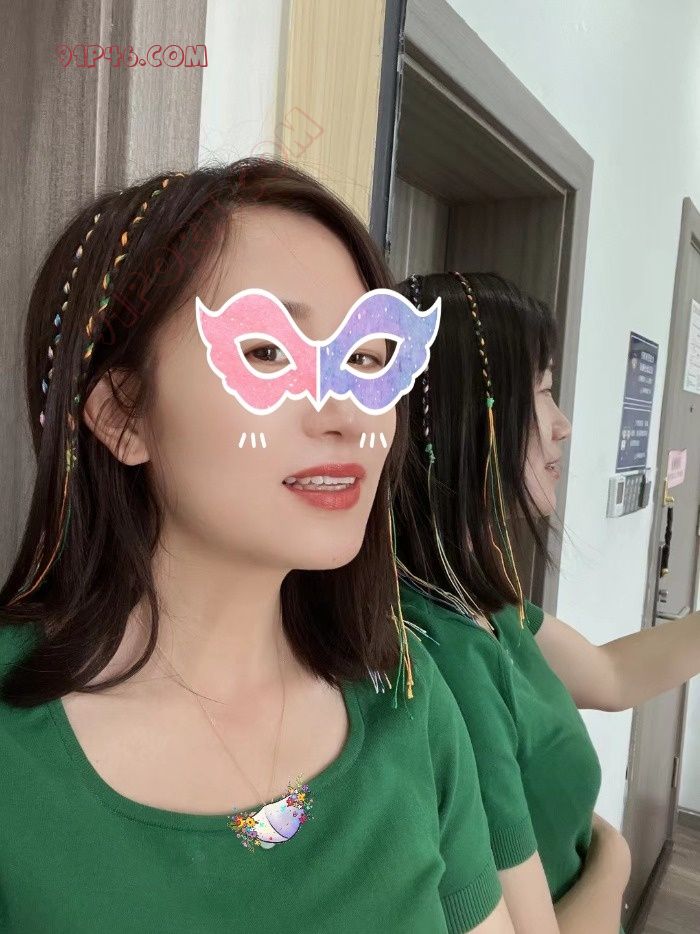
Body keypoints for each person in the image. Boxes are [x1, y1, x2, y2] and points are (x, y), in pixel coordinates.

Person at [0, 164, 516, 934]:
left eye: (366, 355)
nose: (345, 413)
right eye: (269, 353)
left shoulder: (407, 700)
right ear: (122, 414)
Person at [393, 270, 686, 933]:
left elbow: (612, 675)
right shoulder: (442, 654)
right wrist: (613, 857)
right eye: (545, 392)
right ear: (471, 417)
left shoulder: (477, 602)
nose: (563, 426)